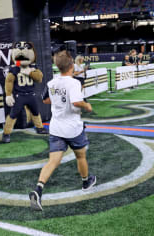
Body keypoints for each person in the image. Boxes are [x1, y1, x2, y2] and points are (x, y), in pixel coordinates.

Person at [29, 50, 96, 211]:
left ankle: (38, 188)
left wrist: (58, 99)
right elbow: (76, 102)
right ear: (72, 65)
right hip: (73, 128)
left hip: (56, 128)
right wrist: (86, 105)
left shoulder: (52, 82)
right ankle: (86, 182)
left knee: (52, 161)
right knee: (80, 156)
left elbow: (45, 99)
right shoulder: (74, 83)